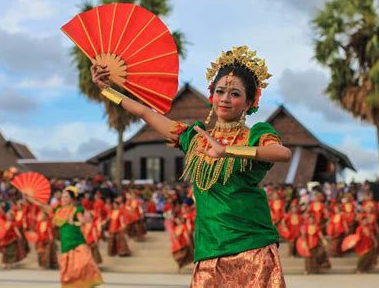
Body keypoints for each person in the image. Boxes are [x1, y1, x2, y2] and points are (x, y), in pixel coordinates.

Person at [91, 45, 292, 287]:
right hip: (209, 247)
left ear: (250, 102)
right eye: (220, 91)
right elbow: (145, 112)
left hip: (252, 248)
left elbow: (282, 153)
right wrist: (106, 90)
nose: (225, 99)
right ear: (211, 96)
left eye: (235, 94)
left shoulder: (256, 135)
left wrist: (227, 150)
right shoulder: (194, 138)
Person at [26, 186, 103, 288]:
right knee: (69, 271)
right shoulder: (58, 210)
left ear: (72, 199)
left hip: (78, 241)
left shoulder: (77, 209)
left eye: (66, 197)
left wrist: (76, 221)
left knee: (85, 263)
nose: (63, 199)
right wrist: (30, 198)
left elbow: (83, 220)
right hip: (66, 243)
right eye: (62, 197)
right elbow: (42, 205)